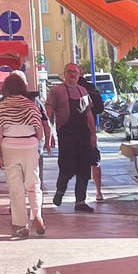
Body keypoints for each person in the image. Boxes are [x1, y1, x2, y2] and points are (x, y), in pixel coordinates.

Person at [0, 73, 46, 238]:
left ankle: (21, 225)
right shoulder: (31, 105)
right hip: (30, 145)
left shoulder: (2, 106)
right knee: (33, 183)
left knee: (16, 189)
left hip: (9, 146)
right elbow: (39, 132)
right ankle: (36, 214)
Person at [46, 63, 97, 212]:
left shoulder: (83, 91)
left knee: (84, 169)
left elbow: (88, 114)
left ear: (79, 74)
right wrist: (49, 135)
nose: (73, 74)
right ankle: (60, 191)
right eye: (70, 72)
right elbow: (48, 112)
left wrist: (93, 134)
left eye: (76, 72)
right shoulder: (56, 91)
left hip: (83, 135)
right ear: (64, 74)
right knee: (66, 167)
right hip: (66, 135)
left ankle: (80, 202)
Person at [77, 73, 105, 202]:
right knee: (95, 160)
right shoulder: (91, 88)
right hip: (90, 128)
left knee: (80, 162)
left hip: (74, 130)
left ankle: (82, 193)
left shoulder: (68, 89)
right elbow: (100, 108)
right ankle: (98, 192)